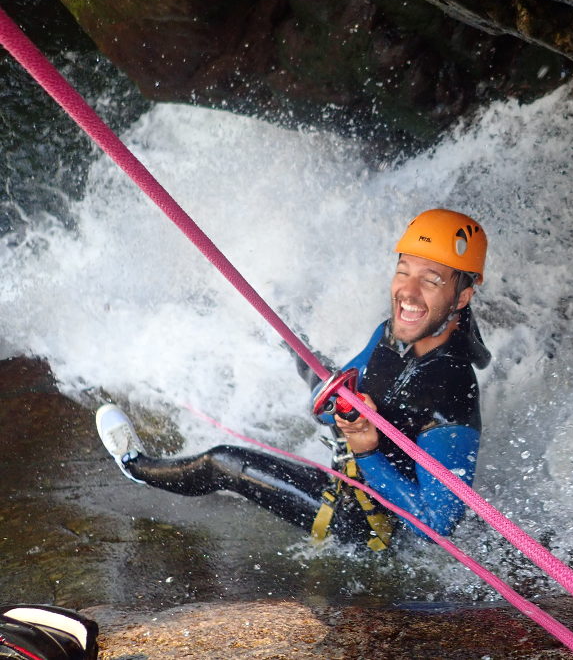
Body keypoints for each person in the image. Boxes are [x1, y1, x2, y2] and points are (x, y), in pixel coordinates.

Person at [96, 209, 491, 550]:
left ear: (461, 297)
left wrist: (367, 450)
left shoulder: (450, 391)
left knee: (223, 462)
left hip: (371, 529)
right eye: (403, 271)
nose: (408, 291)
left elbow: (436, 528)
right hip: (356, 476)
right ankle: (281, 315)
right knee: (305, 356)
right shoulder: (395, 332)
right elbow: (340, 383)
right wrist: (334, 402)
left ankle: (135, 467)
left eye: (431, 280)